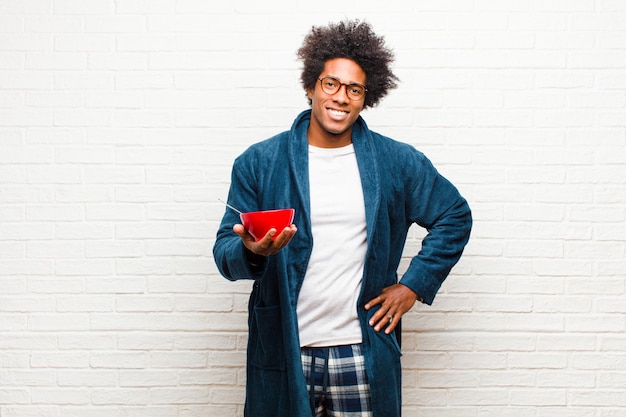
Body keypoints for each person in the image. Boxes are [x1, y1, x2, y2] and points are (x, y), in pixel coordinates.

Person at [213, 19, 472, 417]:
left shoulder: (395, 162)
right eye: (330, 84)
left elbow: (454, 214)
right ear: (311, 86)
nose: (341, 97)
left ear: (366, 98)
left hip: (360, 350)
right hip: (286, 348)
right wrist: (252, 251)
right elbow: (224, 252)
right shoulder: (260, 162)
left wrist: (413, 286)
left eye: (354, 89)